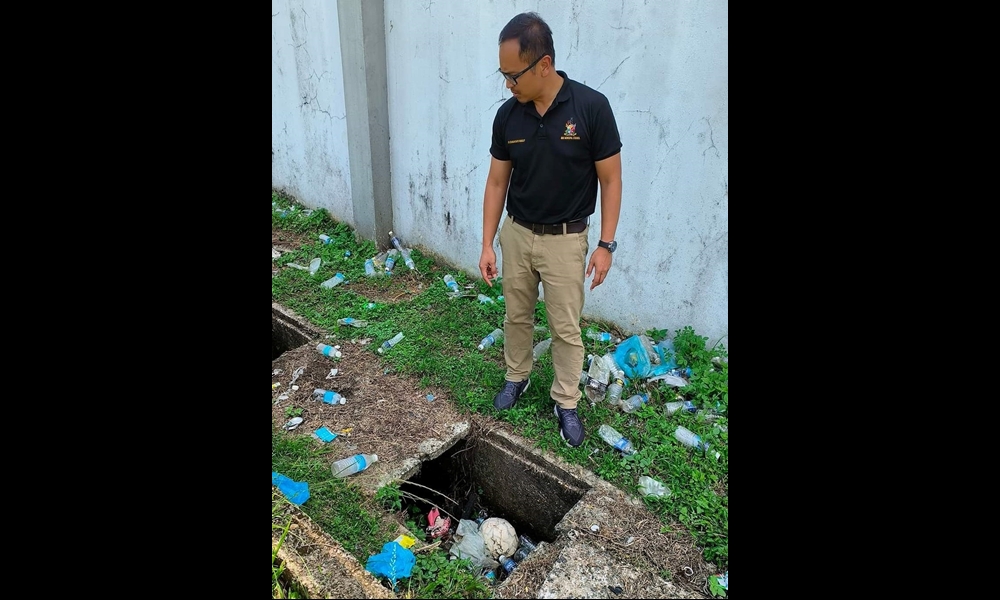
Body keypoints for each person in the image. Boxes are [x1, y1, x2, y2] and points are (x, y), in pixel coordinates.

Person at [478, 12, 623, 447]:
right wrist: (488, 242)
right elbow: (497, 181)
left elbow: (611, 179)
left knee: (565, 326)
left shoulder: (591, 108)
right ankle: (516, 376)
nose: (508, 84)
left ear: (543, 65)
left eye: (513, 74)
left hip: (566, 240)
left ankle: (566, 400)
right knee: (516, 315)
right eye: (502, 75)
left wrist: (605, 245)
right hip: (518, 234)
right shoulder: (508, 117)